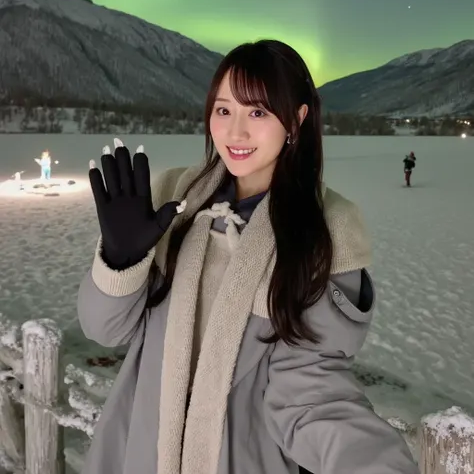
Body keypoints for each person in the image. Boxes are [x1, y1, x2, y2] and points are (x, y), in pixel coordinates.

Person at [78, 39, 419, 474]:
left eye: (257, 112)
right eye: (224, 110)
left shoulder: (325, 234)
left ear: (297, 118)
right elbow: (104, 329)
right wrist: (120, 262)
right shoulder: (173, 201)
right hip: (137, 454)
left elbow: (311, 397)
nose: (235, 133)